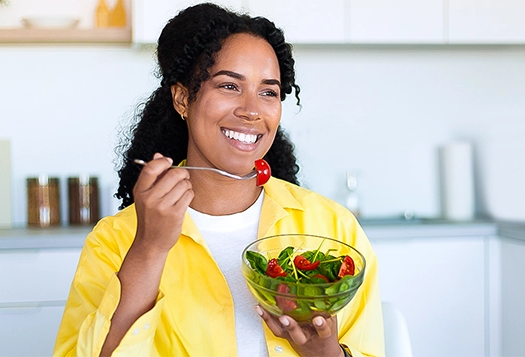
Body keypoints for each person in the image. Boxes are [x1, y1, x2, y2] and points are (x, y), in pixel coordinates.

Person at [53, 3, 384, 357]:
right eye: (229, 86)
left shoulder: (334, 229)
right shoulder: (116, 240)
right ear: (183, 98)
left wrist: (326, 354)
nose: (251, 110)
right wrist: (149, 249)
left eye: (268, 91)